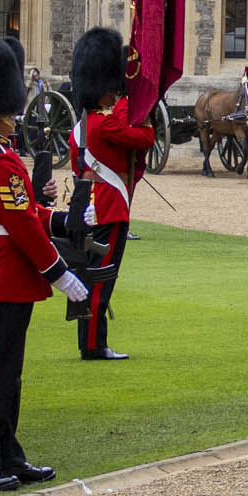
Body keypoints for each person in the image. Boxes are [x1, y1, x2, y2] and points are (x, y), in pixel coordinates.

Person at [0, 31, 90, 493]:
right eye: (9, 107)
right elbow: (21, 227)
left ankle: (7, 453)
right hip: (2, 274)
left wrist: (64, 219)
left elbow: (25, 212)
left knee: (7, 373)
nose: (15, 114)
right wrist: (61, 273)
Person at [64, 24, 150, 361]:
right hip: (110, 208)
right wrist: (130, 95)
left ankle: (90, 341)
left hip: (89, 206)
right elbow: (144, 138)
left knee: (91, 275)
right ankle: (94, 345)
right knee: (102, 279)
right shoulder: (109, 122)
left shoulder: (83, 125)